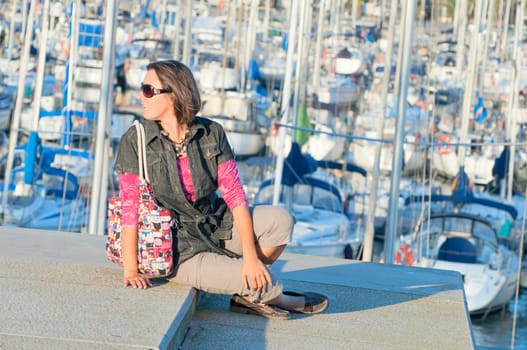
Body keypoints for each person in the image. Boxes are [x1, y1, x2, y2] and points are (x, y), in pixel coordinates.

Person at [113, 60, 328, 320]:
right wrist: (131, 270)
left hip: (215, 225)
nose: (141, 96)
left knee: (281, 222)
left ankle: (246, 284)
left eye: (148, 90)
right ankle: (273, 294)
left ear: (174, 95)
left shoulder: (211, 132)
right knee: (261, 280)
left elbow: (235, 196)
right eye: (142, 88)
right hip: (175, 248)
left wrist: (250, 257)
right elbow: (129, 208)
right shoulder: (135, 140)